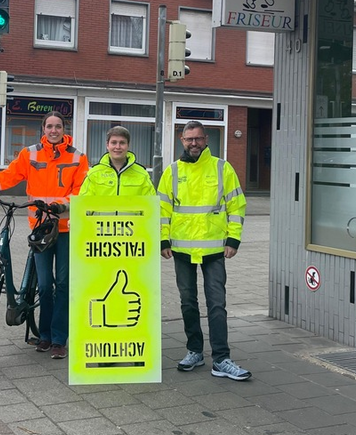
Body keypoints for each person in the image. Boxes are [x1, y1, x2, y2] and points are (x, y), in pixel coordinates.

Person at [0, 111, 88, 360]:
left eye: (58, 126)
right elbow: (9, 176)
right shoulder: (30, 154)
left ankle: (59, 340)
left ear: (64, 130)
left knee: (63, 285)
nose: (54, 130)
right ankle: (43, 336)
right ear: (43, 129)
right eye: (49, 126)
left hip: (66, 229)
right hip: (40, 230)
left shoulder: (78, 157)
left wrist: (59, 205)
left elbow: (81, 192)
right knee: (44, 286)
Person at [158, 120, 251, 381]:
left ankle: (221, 358)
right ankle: (194, 351)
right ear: (182, 140)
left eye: (198, 138)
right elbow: (163, 209)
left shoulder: (222, 168)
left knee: (217, 304)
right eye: (189, 139)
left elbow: (237, 205)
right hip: (182, 248)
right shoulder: (172, 171)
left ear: (206, 139)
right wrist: (163, 240)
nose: (194, 143)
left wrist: (233, 239)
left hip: (214, 249)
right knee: (187, 302)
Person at [79, 126, 155, 197]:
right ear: (107, 145)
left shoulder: (142, 174)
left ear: (128, 145)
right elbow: (83, 206)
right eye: (114, 143)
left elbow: (151, 208)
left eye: (122, 143)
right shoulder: (94, 173)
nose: (118, 147)